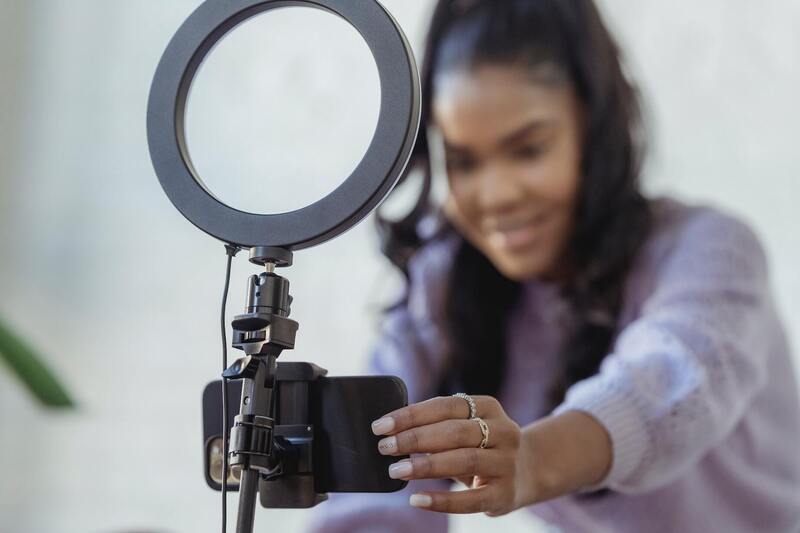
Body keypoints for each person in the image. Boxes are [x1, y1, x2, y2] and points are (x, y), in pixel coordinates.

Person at [306, 1, 800, 531]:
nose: (496, 196)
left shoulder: (709, 250)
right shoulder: (442, 285)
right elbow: (375, 495)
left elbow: (667, 386)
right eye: (464, 161)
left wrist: (531, 460)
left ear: (591, 128)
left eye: (529, 149)